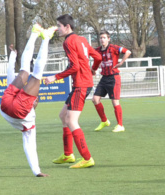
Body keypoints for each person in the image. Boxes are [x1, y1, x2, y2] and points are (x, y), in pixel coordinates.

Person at [44, 14, 102, 168]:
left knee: (71, 120)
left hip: (81, 84)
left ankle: (87, 158)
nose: (57, 29)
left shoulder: (68, 41)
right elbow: (97, 57)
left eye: (59, 26)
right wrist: (93, 70)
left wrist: (55, 77)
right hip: (83, 82)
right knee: (63, 115)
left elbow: (74, 67)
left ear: (67, 26)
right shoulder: (82, 39)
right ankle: (68, 154)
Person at [0, 24, 57, 177]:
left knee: (29, 71)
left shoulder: (30, 119)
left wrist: (12, 57)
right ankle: (40, 36)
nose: (35, 99)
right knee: (31, 72)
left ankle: (39, 35)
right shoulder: (29, 124)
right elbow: (29, 146)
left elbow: (11, 76)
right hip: (5, 108)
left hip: (7, 104)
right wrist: (36, 171)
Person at [91, 30, 131, 132]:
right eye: (101, 38)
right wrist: (93, 70)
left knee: (115, 102)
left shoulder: (113, 48)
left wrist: (121, 62)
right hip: (104, 78)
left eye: (104, 38)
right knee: (95, 99)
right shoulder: (98, 50)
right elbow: (94, 60)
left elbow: (128, 51)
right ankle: (104, 121)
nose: (102, 39)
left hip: (113, 77)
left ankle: (120, 125)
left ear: (108, 39)